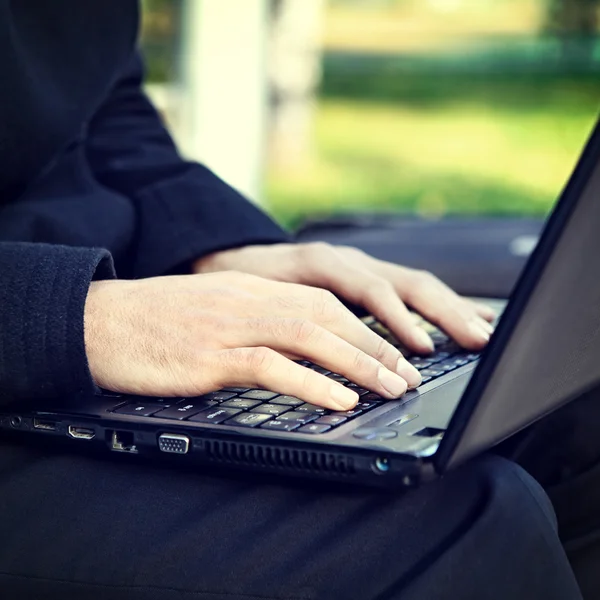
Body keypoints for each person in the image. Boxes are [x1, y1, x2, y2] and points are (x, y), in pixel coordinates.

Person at [0, 1, 584, 598]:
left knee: (573, 412)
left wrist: (218, 245)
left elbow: (105, 105)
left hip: (120, 281)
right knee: (470, 523)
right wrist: (75, 317)